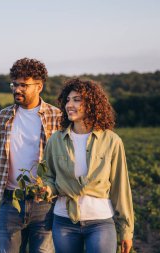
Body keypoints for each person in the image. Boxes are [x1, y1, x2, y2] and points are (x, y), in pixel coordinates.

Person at [0, 57, 61, 253]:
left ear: (39, 86)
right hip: (10, 203)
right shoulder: (3, 117)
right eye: (14, 84)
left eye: (24, 85)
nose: (17, 89)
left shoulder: (57, 117)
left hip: (45, 205)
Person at [43, 78, 134, 253]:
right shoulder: (55, 140)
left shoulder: (112, 141)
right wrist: (45, 189)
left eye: (77, 100)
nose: (70, 104)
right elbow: (49, 177)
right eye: (68, 100)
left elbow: (120, 188)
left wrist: (126, 230)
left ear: (92, 104)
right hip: (64, 221)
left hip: (100, 221)